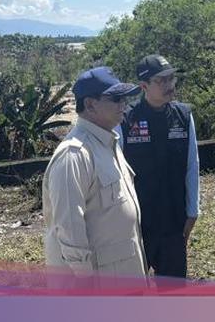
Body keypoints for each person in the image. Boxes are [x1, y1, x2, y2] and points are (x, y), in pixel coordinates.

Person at [42, 67, 147, 277]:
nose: (123, 104)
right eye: (116, 98)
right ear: (90, 104)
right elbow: (69, 230)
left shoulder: (108, 143)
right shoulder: (74, 155)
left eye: (124, 98)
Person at [118, 54, 200, 279]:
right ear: (144, 86)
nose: (169, 85)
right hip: (137, 224)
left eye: (171, 78)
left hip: (173, 220)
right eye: (161, 80)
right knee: (133, 291)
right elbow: (118, 173)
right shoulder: (125, 120)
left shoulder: (183, 116)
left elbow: (192, 165)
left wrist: (193, 210)